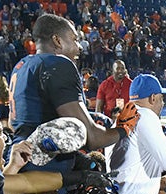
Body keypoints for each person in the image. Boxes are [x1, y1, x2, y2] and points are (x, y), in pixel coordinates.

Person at [9, 14, 138, 150]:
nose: (80, 47)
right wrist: (124, 128)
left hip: (19, 155)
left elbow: (18, 124)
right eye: (74, 39)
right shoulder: (57, 64)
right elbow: (93, 138)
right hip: (46, 164)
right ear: (57, 41)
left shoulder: (21, 65)